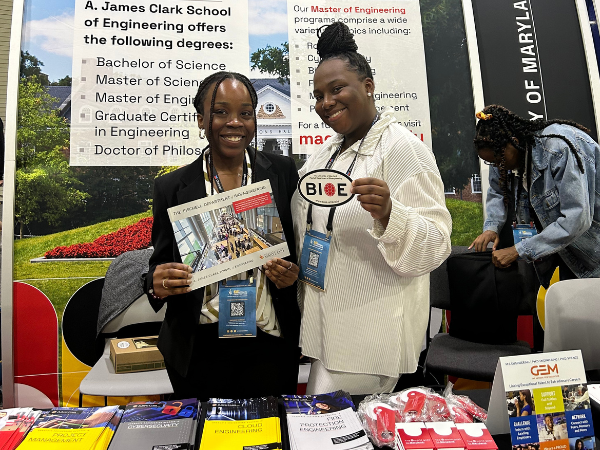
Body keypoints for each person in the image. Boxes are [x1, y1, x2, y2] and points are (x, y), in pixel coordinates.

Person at [291, 22, 452, 395]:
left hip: (371, 333)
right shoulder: (325, 153)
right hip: (324, 325)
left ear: (368, 86)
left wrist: (390, 213)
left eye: (336, 89)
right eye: (318, 95)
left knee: (328, 425)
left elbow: (437, 245)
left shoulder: (402, 149)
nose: (325, 103)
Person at [144, 71, 301, 400]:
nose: (235, 122)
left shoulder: (283, 172)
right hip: (199, 349)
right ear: (201, 119)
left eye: (245, 113)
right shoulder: (172, 187)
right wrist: (156, 284)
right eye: (220, 112)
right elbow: (159, 265)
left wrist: (292, 276)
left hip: (269, 345)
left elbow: (297, 253)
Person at [470, 105, 600, 282]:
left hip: (593, 253)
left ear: (514, 141)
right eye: (491, 163)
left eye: (499, 160)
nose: (498, 167)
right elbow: (497, 190)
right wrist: (491, 228)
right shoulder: (501, 153)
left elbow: (576, 218)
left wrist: (518, 250)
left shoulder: (559, 148)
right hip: (558, 256)